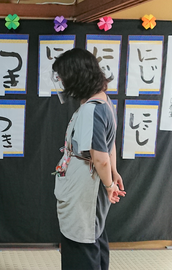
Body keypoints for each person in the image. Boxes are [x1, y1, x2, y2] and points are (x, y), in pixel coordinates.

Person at [52, 48, 126, 270]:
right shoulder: (104, 101)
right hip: (90, 183)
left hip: (87, 186)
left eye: (63, 76)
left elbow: (100, 156)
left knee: (82, 241)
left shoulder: (91, 109)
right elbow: (109, 144)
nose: (62, 82)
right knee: (95, 235)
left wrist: (109, 184)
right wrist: (114, 173)